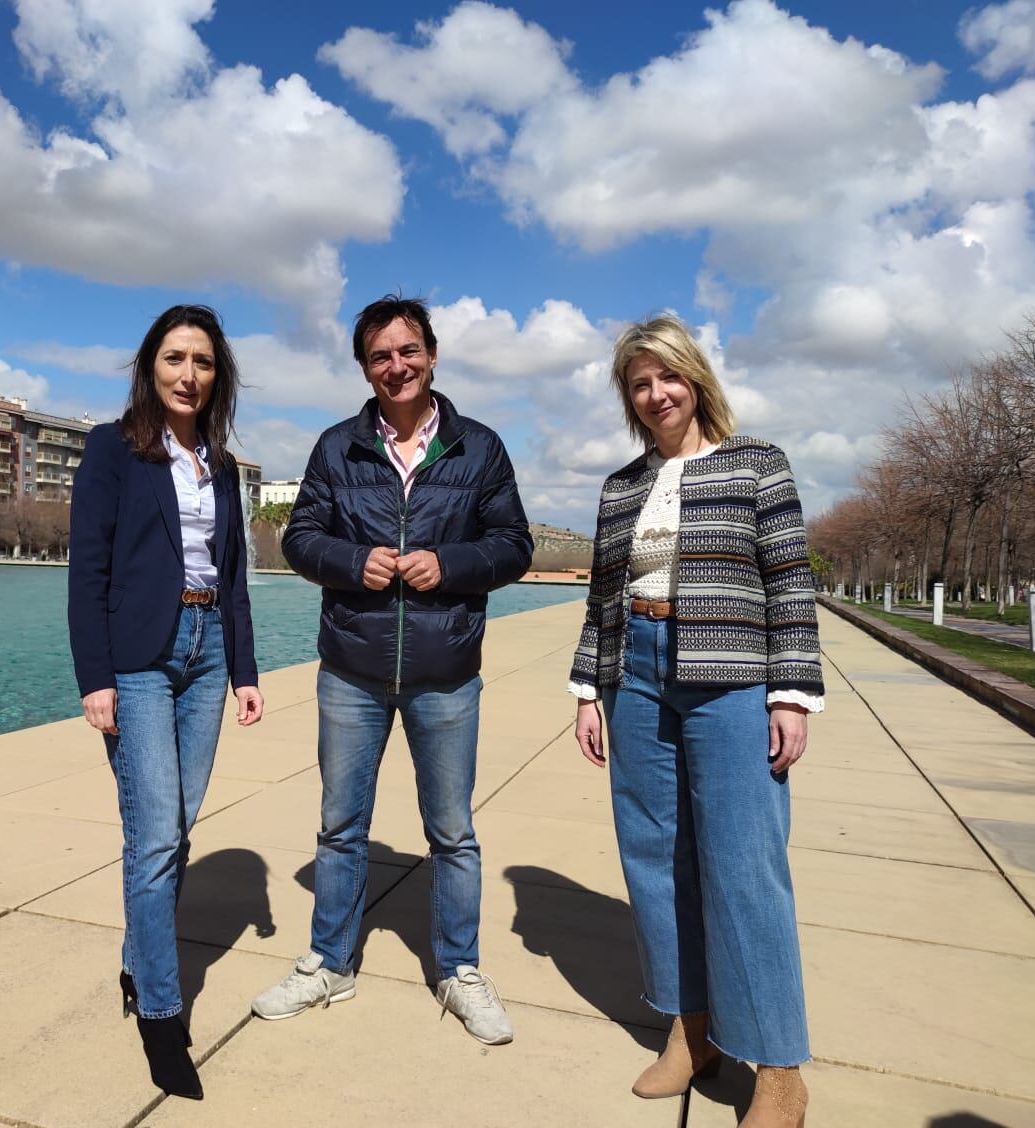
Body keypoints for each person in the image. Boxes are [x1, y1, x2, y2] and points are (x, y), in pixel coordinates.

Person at [251, 294, 532, 1045]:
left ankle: (460, 969)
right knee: (341, 827)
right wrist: (350, 561)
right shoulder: (337, 446)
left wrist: (450, 563)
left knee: (452, 832)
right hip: (352, 667)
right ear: (364, 367)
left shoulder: (479, 447)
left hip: (446, 671)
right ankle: (329, 963)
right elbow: (300, 538)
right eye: (380, 356)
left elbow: (513, 545)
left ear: (432, 355)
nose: (396, 366)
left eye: (408, 351)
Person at [568, 315, 822, 1127]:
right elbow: (602, 597)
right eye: (639, 384)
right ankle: (691, 1033)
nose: (655, 395)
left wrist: (793, 693)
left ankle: (779, 1070)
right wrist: (587, 689)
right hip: (635, 673)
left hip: (731, 677)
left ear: (696, 378)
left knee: (744, 866)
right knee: (654, 857)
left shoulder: (757, 465)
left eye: (666, 378)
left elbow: (789, 582)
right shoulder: (620, 487)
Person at [68, 304, 264, 1101]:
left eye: (204, 363)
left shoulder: (218, 462)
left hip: (208, 648)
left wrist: (246, 668)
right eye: (176, 358)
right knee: (153, 836)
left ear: (218, 376)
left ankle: (133, 961)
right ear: (151, 364)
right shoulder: (113, 450)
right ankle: (159, 1009)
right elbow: (90, 570)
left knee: (177, 828)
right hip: (140, 656)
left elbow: (236, 571)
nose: (189, 375)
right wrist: (95, 677)